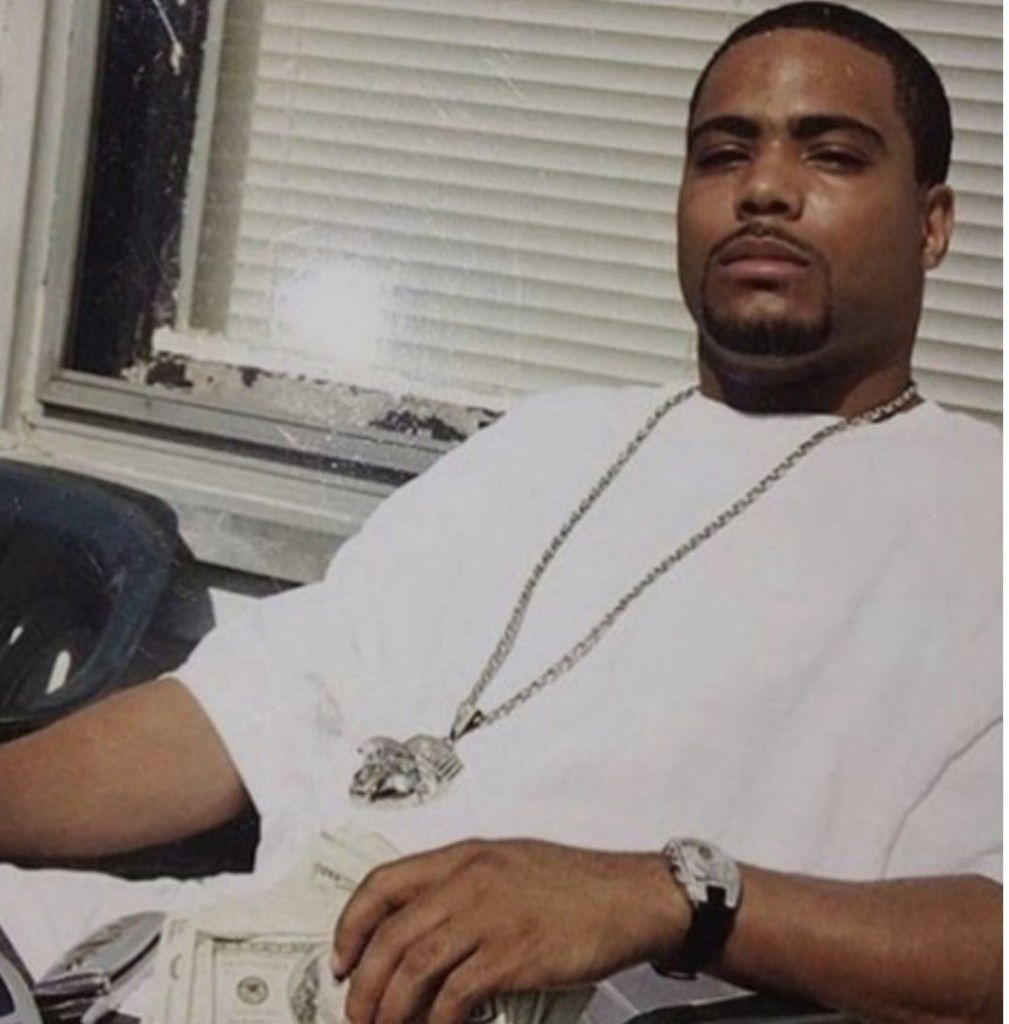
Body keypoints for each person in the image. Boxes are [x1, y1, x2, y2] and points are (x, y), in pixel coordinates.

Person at [0, 4, 1000, 1023]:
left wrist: (673, 897)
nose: (763, 189)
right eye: (721, 154)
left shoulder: (979, 521)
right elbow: (232, 719)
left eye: (831, 155)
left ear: (931, 224)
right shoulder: (547, 441)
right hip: (199, 962)